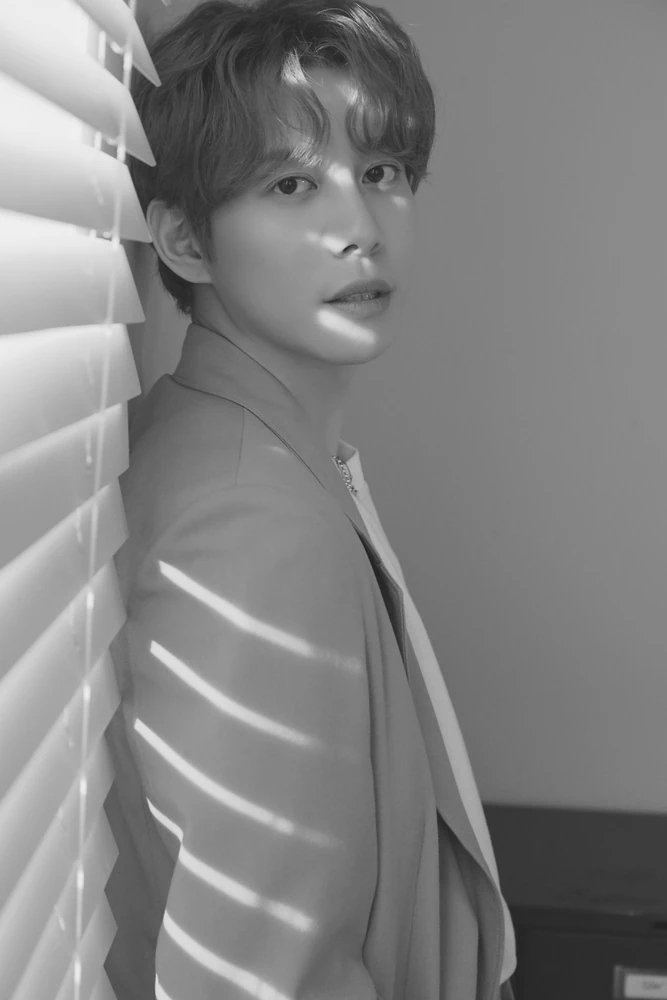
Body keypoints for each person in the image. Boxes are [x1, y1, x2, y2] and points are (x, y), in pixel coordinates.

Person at [104, 1, 518, 998]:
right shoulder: (251, 522)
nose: (360, 230)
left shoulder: (237, 447)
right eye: (291, 183)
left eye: (381, 172)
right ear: (185, 241)